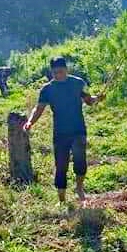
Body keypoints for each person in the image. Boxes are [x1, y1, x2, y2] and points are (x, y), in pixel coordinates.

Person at [23, 57, 105, 204]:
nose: (58, 75)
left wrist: (97, 98)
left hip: (78, 130)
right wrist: (30, 122)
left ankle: (79, 189)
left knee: (80, 161)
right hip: (60, 133)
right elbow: (39, 108)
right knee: (61, 166)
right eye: (54, 73)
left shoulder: (78, 83)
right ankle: (61, 199)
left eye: (60, 72)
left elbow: (88, 101)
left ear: (66, 69)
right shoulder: (47, 89)